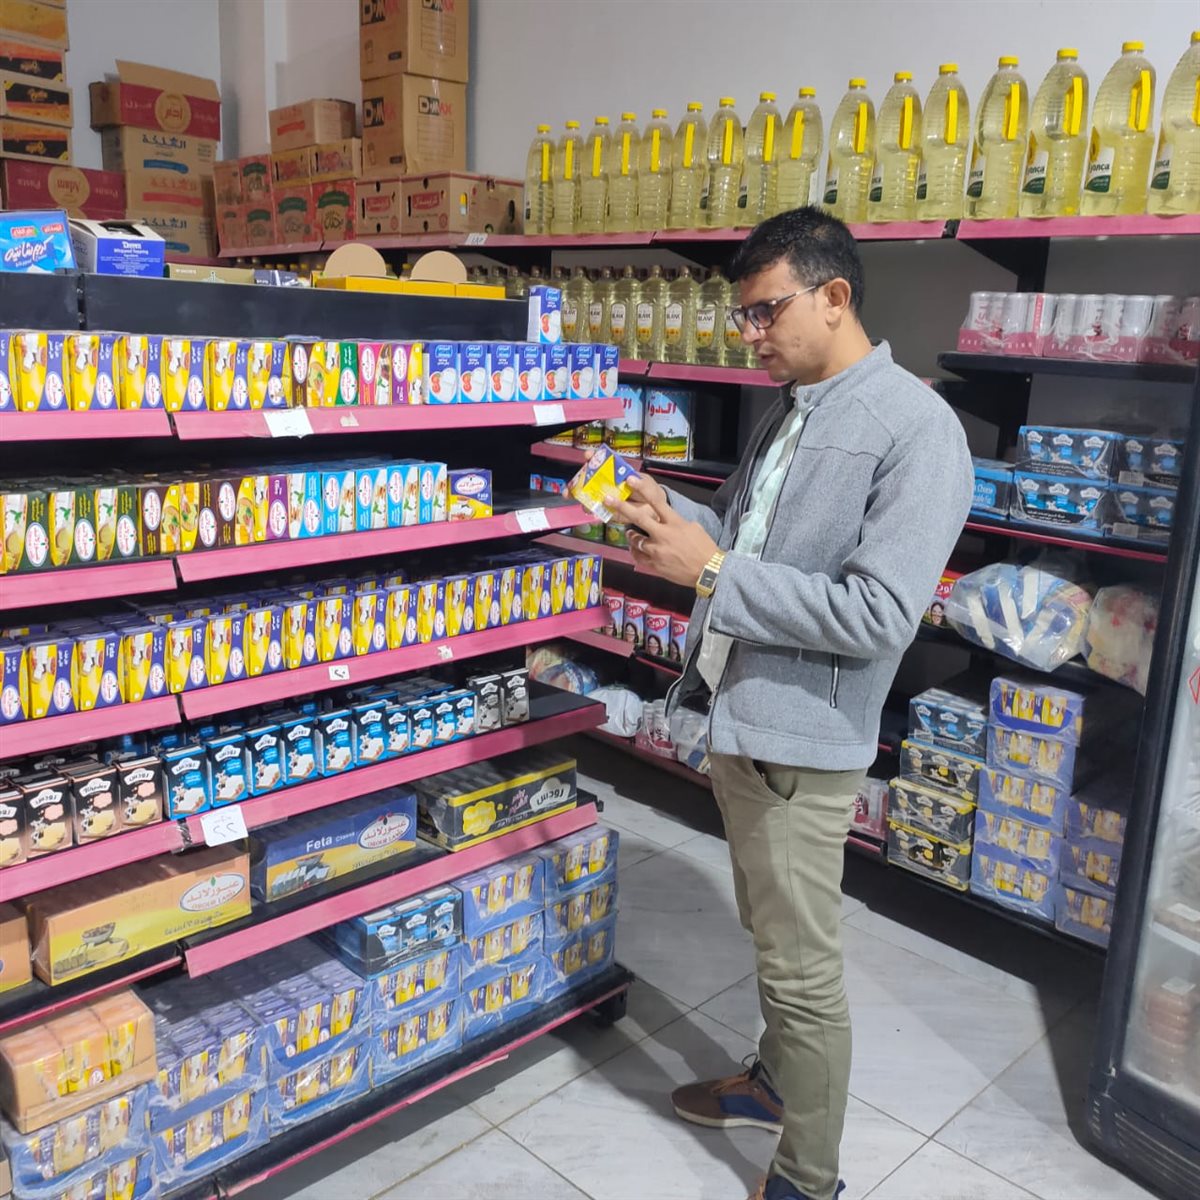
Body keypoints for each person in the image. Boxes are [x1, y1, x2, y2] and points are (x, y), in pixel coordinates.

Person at [608, 206, 973, 1200]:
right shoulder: (788, 412)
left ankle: (810, 1180)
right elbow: (739, 530)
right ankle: (772, 1085)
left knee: (803, 975)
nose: (751, 335)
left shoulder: (918, 431)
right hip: (741, 717)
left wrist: (711, 571)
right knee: (774, 938)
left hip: (802, 747)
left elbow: (879, 614)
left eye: (765, 312)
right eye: (744, 316)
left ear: (836, 295)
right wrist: (669, 511)